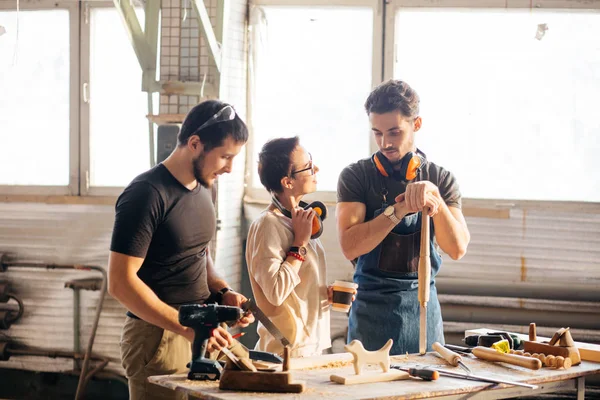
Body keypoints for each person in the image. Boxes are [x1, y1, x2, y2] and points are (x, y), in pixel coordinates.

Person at [108, 100, 254, 400]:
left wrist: (223, 291)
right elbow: (120, 282)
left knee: (256, 380)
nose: (229, 168)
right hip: (159, 335)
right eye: (225, 157)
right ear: (195, 143)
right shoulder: (146, 194)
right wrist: (187, 328)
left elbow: (200, 253)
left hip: (203, 324)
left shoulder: (204, 187)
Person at [336, 80, 470, 355]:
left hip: (422, 312)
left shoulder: (441, 179)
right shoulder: (356, 177)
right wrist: (397, 212)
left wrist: (435, 199)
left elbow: (457, 248)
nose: (386, 143)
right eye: (378, 133)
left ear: (416, 124)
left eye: (395, 132)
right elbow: (350, 246)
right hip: (370, 317)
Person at [246, 137, 339, 357]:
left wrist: (323, 293)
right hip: (286, 351)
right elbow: (276, 292)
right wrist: (299, 244)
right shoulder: (267, 225)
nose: (315, 168)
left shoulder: (300, 220)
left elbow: (296, 287)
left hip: (311, 346)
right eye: (308, 166)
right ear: (288, 182)